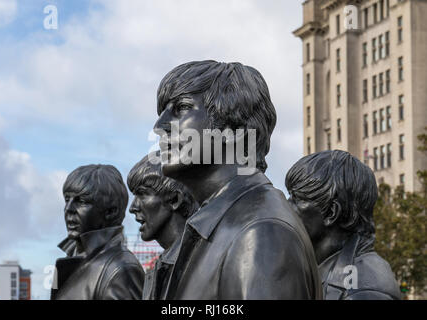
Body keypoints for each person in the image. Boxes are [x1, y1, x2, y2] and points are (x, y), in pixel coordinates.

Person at [153, 60, 322, 299]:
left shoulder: (261, 232)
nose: (159, 126)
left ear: (233, 129)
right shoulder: (224, 223)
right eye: (163, 112)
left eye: (181, 108)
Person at [285, 150, 401, 300]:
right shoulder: (319, 272)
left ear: (332, 212)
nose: (286, 206)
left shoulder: (364, 290)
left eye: (296, 199)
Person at [51, 164, 144, 300]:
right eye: (67, 199)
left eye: (81, 201)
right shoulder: (74, 260)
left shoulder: (121, 269)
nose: (69, 209)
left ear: (111, 211)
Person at [127, 152, 198, 299]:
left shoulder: (200, 261)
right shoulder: (158, 267)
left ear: (174, 200)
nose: (132, 207)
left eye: (142, 194)